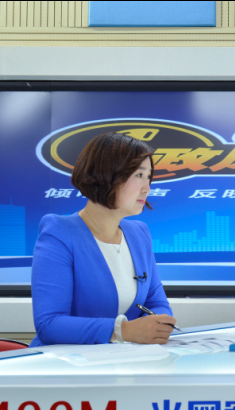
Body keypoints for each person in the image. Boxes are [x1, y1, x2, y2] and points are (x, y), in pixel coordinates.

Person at [30, 132, 176, 347]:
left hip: (124, 360)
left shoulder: (139, 233)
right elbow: (49, 324)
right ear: (106, 175)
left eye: (148, 176)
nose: (147, 188)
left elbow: (157, 303)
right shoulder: (59, 232)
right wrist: (123, 331)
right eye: (138, 175)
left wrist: (157, 326)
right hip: (64, 363)